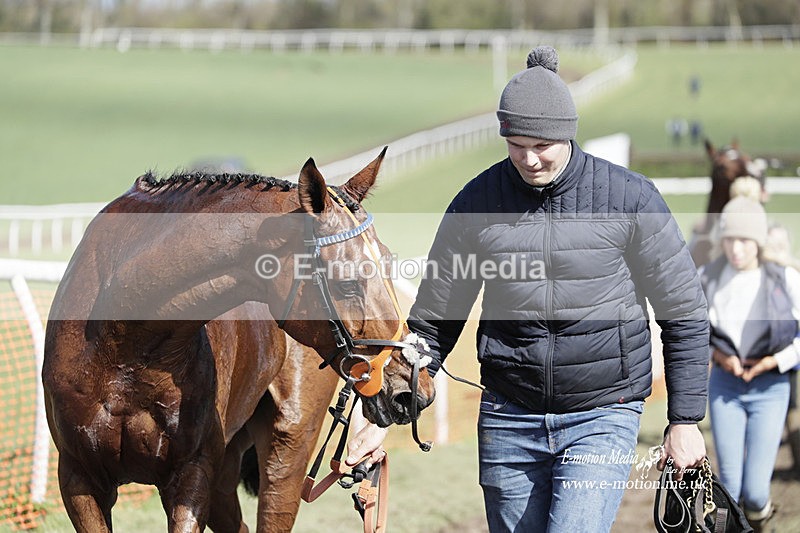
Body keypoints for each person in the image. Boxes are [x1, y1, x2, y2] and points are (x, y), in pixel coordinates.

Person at [347, 46, 710, 532]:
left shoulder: (631, 198)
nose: (530, 159)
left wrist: (684, 421)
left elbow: (683, 311)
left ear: (568, 134)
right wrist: (379, 415)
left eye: (542, 145)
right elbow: (434, 322)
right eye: (517, 145)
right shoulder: (476, 203)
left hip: (602, 415)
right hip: (508, 417)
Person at [701, 197, 800, 531]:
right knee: (729, 487)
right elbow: (691, 330)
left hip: (770, 388)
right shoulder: (708, 277)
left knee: (756, 492)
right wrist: (717, 356)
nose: (736, 249)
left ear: (758, 241)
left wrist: (776, 360)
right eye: (729, 239)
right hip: (725, 387)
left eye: (744, 240)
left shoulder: (784, 279)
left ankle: (759, 521)